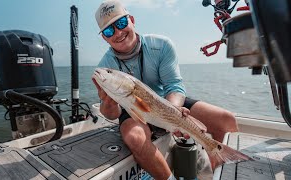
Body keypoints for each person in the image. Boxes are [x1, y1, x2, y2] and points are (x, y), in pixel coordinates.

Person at [92, 0, 239, 179]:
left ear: (131, 20)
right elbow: (111, 114)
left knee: (226, 120)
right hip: (131, 109)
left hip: (168, 102)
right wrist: (108, 102)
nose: (118, 33)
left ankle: (214, 170)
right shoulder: (103, 66)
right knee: (135, 138)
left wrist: (173, 111)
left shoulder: (161, 45)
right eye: (109, 30)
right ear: (104, 37)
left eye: (121, 23)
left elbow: (174, 85)